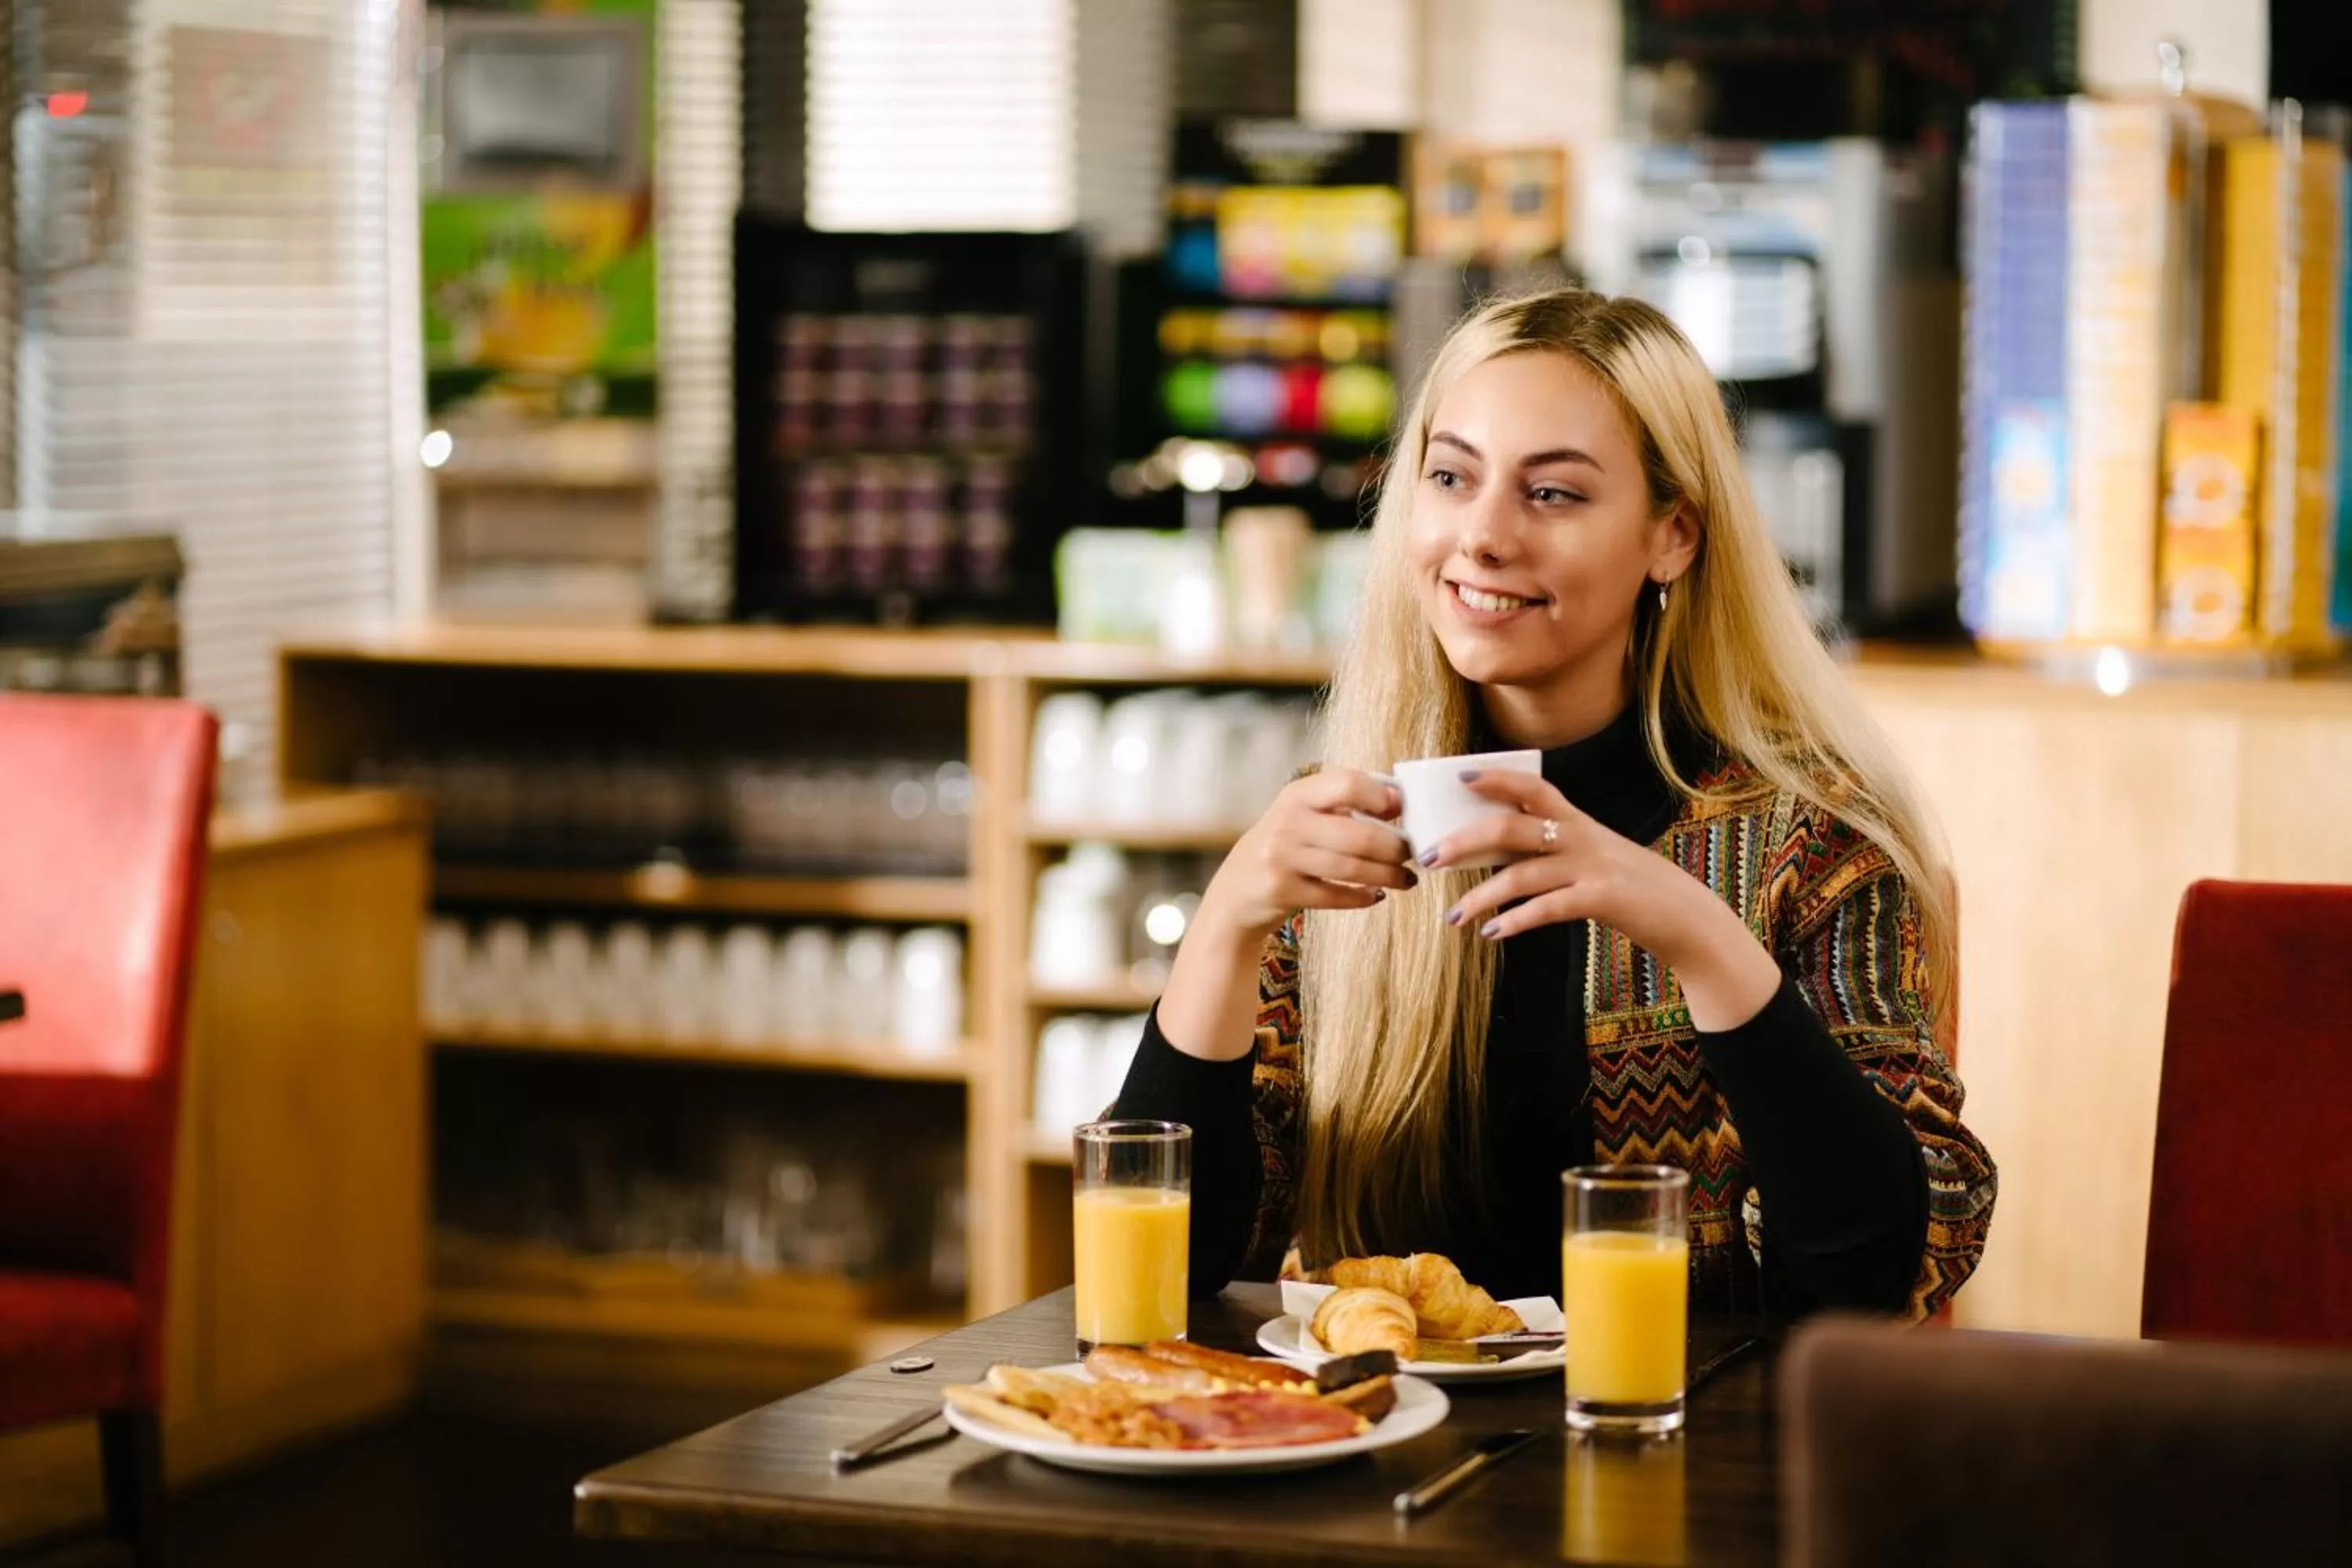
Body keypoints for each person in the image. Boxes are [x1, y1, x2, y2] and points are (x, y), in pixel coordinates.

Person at [1114, 288, 1995, 1319]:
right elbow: (1170, 1275)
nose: (1481, 537)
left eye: (1554, 495)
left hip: (1687, 1452)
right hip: (1384, 1449)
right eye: (1451, 477)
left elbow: (1880, 1271)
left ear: (1671, 535)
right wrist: (1225, 926)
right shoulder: (1346, 830)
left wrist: (1692, 930)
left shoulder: (1814, 840)